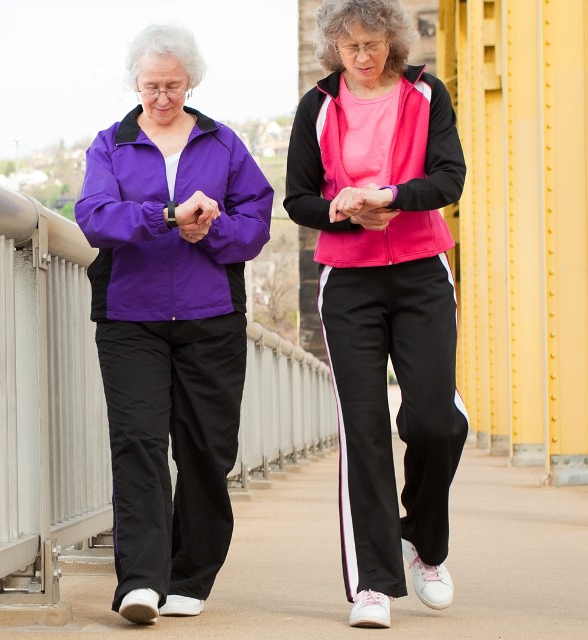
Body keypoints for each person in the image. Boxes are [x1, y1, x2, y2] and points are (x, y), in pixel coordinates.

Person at [75, 23, 273, 625]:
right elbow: (93, 216)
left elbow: (257, 221)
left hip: (210, 316)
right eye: (151, 86)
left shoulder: (223, 144)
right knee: (137, 442)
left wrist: (211, 229)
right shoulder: (111, 144)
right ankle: (140, 580)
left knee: (207, 450)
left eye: (173, 86)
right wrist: (165, 216)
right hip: (129, 318)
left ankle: (191, 575)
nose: (161, 97)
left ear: (191, 82)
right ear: (135, 84)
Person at [284, 0, 468, 629]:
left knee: (434, 423)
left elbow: (450, 179)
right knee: (363, 430)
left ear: (393, 41)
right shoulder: (317, 106)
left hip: (421, 271)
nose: (361, 58)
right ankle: (374, 582)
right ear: (333, 49)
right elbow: (298, 199)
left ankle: (427, 545)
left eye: (372, 45)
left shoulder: (426, 94)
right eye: (349, 47)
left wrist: (393, 196)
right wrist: (343, 209)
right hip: (350, 282)